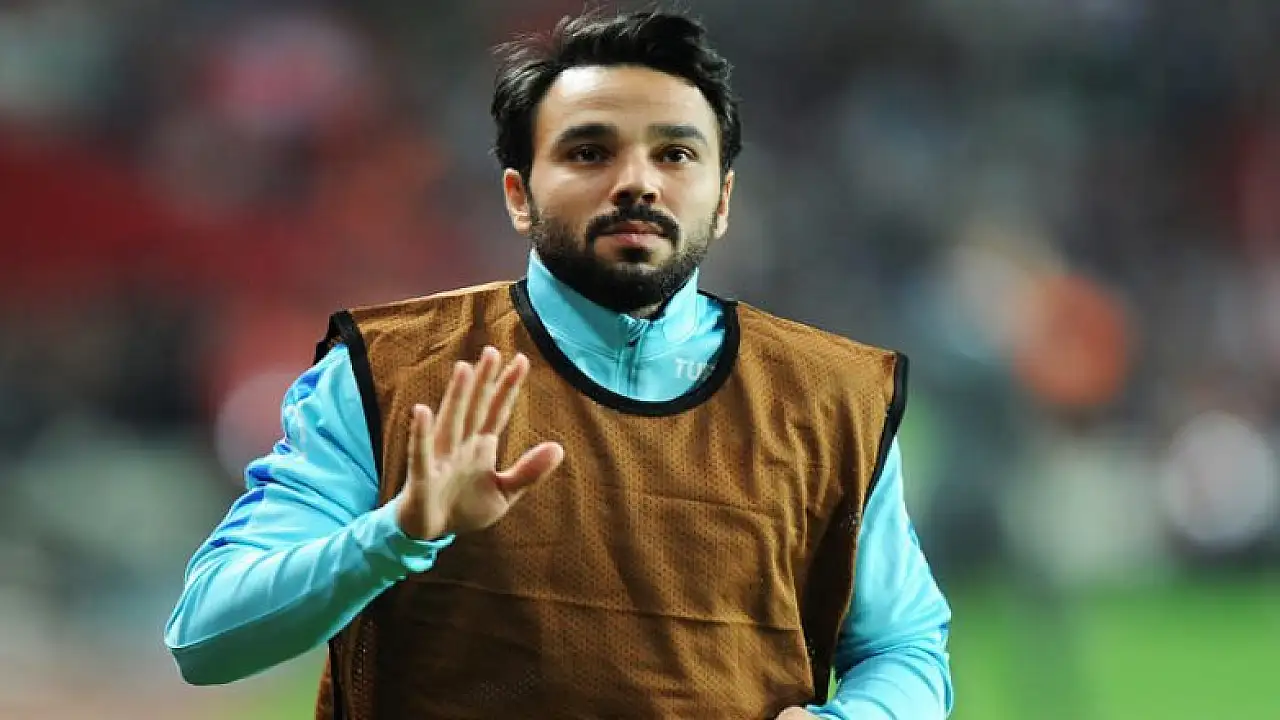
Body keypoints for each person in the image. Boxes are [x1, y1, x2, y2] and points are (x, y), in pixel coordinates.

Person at [164, 9, 954, 719]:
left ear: (721, 200)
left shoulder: (832, 401)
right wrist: (397, 532)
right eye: (589, 151)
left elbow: (904, 646)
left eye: (676, 153)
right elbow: (205, 637)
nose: (637, 182)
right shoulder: (389, 375)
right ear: (519, 195)